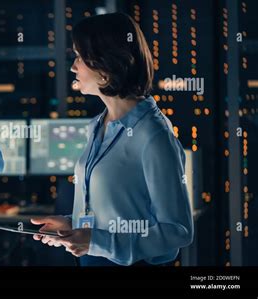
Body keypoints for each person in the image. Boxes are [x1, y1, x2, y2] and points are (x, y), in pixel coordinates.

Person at [31, 12, 194, 266]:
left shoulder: (153, 135)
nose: (73, 67)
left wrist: (95, 241)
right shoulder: (98, 126)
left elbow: (177, 231)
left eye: (79, 57)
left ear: (104, 67)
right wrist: (72, 226)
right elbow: (117, 212)